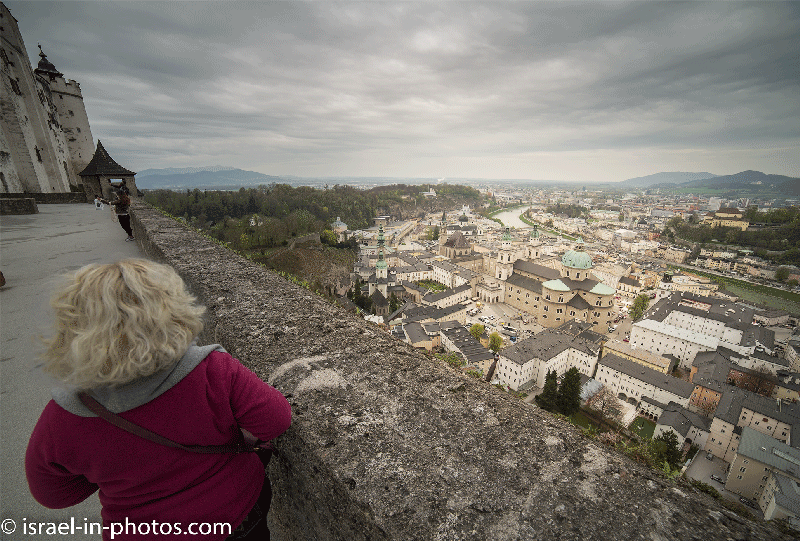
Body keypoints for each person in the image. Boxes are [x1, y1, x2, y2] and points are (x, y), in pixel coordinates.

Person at [26, 259, 292, 540]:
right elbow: (276, 419)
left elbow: (54, 495)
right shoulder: (211, 369)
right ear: (172, 310)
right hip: (234, 514)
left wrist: (116, 471)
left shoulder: (66, 415)